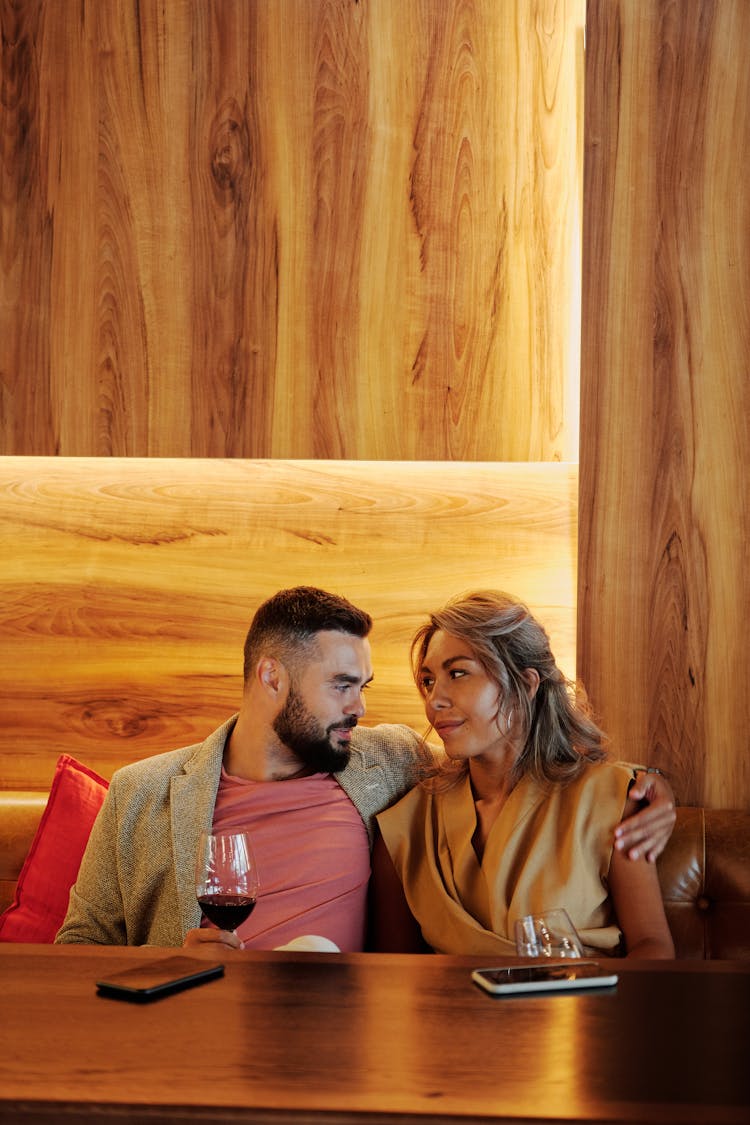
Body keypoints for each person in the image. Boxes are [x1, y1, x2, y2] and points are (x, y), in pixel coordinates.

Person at [56, 586, 675, 952]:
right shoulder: (143, 792)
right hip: (197, 1035)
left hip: (346, 1037)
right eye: (343, 685)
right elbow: (76, 952)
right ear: (272, 677)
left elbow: (536, 775)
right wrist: (170, 967)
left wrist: (651, 788)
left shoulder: (386, 761)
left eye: (365, 685)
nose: (362, 707)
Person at [371, 591, 675, 958]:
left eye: (457, 673)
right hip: (450, 1014)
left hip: (581, 1009)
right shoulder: (406, 828)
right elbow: (391, 973)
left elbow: (652, 947)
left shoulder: (613, 800)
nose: (435, 700)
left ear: (526, 685)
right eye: (429, 680)